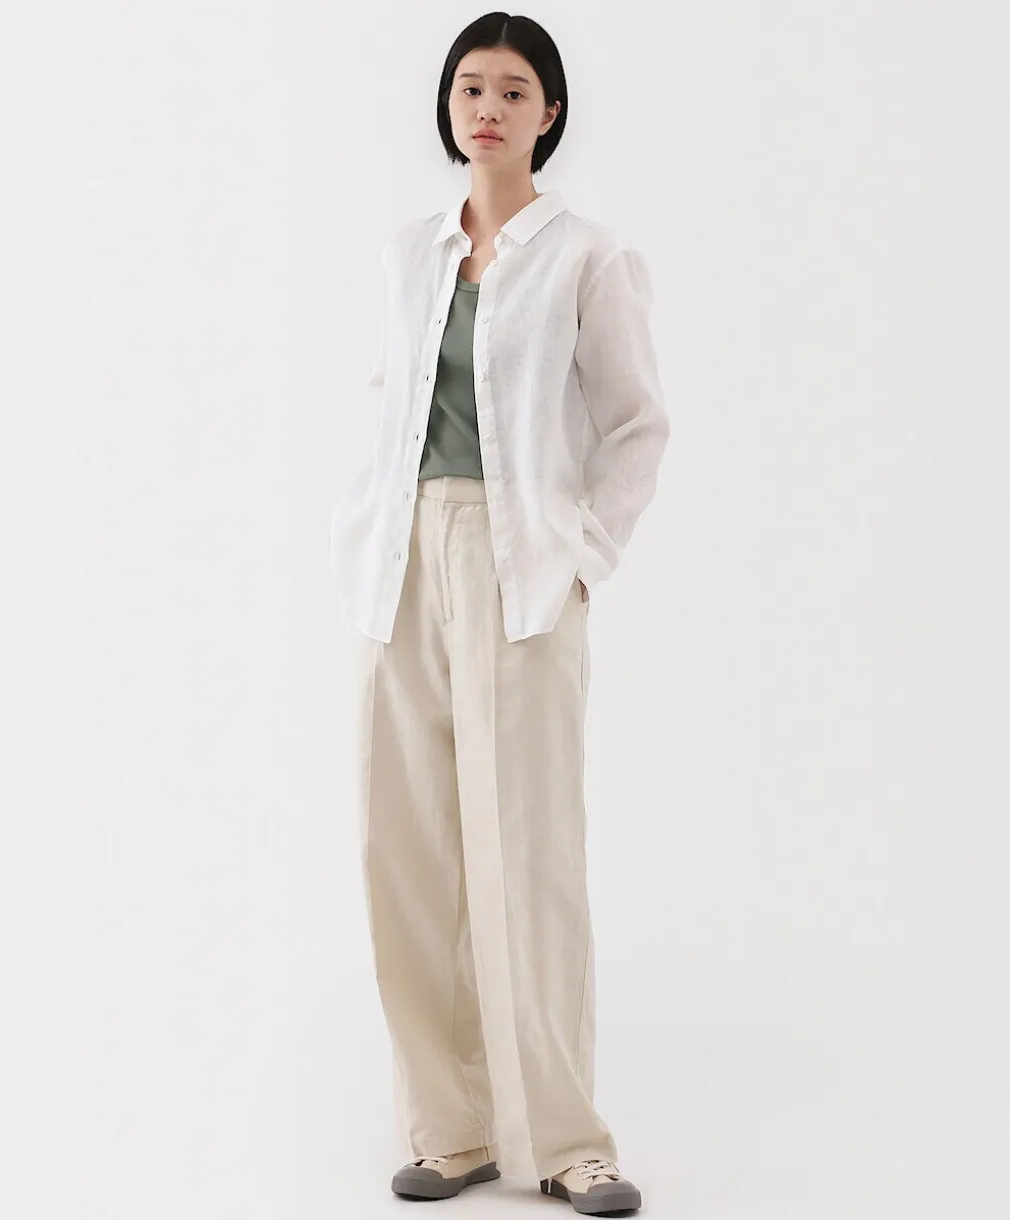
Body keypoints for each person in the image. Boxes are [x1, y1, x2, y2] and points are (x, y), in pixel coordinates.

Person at [329, 11, 669, 1215]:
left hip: (520, 568)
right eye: (470, 86)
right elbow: (392, 406)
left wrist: (582, 558)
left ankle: (568, 1140)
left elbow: (636, 425)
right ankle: (450, 1127)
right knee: (405, 849)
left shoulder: (587, 257)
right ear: (448, 105)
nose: (487, 106)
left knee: (527, 854)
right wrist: (368, 535)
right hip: (398, 564)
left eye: (513, 90)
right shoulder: (408, 252)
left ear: (548, 114)